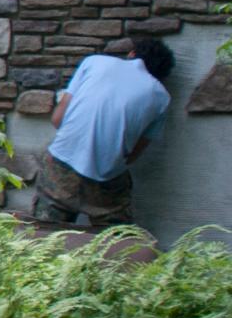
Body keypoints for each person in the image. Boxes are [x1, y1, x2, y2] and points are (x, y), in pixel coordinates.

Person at [29, 34, 175, 227]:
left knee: (43, 238)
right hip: (107, 180)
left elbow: (58, 120)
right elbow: (132, 155)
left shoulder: (94, 62)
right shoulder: (161, 97)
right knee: (116, 244)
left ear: (132, 54)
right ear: (160, 75)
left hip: (60, 167)